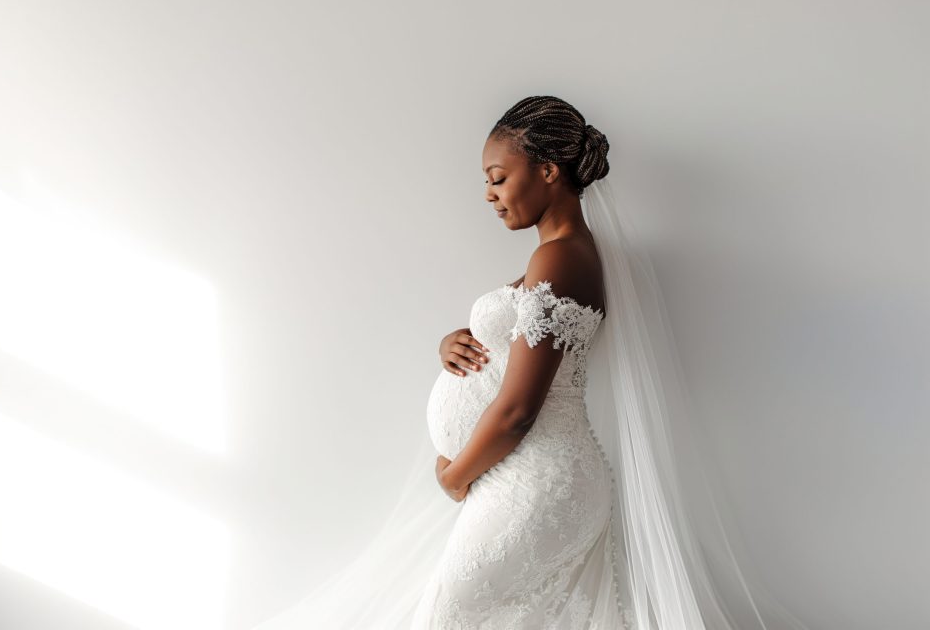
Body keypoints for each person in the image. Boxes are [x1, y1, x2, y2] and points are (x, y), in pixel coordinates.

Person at [253, 96, 808, 630]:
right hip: (526, 477)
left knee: (447, 617)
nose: (489, 195)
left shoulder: (561, 257)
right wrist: (453, 343)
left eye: (498, 177)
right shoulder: (557, 256)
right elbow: (514, 347)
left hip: (538, 479)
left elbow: (519, 407)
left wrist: (454, 474)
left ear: (546, 171)